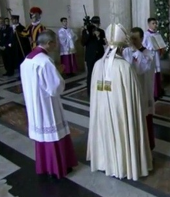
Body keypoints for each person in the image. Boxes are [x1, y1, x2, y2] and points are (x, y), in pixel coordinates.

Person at [87, 23, 153, 181]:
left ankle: (105, 162)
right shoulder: (124, 66)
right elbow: (134, 96)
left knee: (106, 133)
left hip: (102, 110)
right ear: (121, 48)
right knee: (122, 133)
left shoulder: (98, 64)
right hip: (121, 111)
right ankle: (124, 165)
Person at [20, 29, 78, 179]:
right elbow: (55, 87)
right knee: (53, 131)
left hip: (34, 104)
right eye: (55, 42)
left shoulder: (28, 59)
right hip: (47, 104)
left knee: (42, 134)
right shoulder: (45, 61)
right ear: (49, 43)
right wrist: (59, 73)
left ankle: (45, 165)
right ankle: (58, 167)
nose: (57, 45)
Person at [123, 27, 156, 150]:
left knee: (144, 119)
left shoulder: (149, 54)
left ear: (142, 39)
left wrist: (134, 50)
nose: (133, 41)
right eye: (131, 38)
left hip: (143, 92)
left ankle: (146, 147)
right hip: (130, 92)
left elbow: (141, 69)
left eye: (135, 39)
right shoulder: (126, 52)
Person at [81, 16, 106, 97]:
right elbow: (83, 43)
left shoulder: (101, 31)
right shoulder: (86, 31)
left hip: (100, 55)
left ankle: (100, 89)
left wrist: (98, 37)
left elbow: (104, 42)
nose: (96, 26)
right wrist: (89, 33)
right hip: (90, 56)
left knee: (100, 73)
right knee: (90, 73)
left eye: (97, 24)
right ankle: (90, 92)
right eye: (94, 24)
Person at [143, 17, 166, 100]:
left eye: (156, 23)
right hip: (150, 55)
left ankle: (158, 91)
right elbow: (143, 45)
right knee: (153, 73)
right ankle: (153, 93)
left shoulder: (157, 34)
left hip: (156, 55)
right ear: (149, 24)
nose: (155, 25)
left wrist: (161, 49)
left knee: (157, 72)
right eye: (153, 23)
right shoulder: (146, 34)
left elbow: (161, 44)